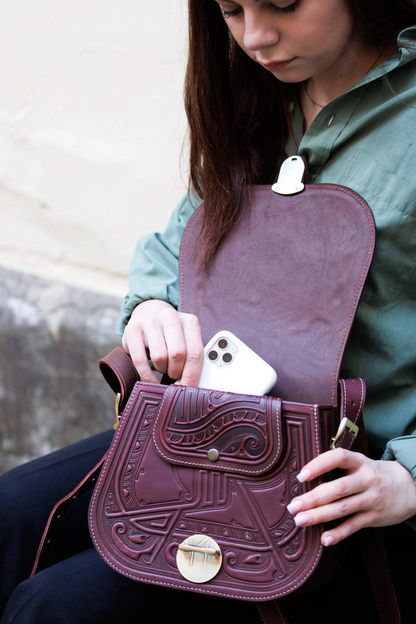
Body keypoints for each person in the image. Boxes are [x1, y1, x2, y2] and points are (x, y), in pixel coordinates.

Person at [1, 0, 416, 622]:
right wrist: (150, 309)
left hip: (342, 486)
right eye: (230, 10)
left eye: (283, 4)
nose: (257, 36)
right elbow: (179, 244)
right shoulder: (254, 100)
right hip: (209, 435)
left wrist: (407, 476)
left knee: (53, 609)